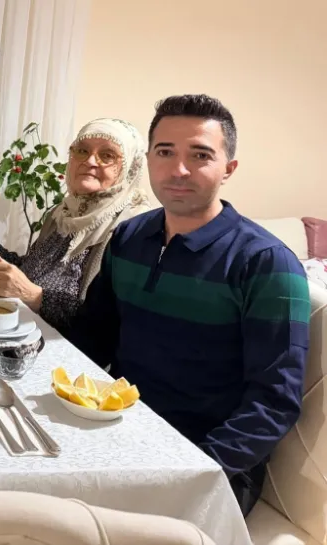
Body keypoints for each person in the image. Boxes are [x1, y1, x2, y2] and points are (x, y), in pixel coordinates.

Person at [70, 94, 310, 517]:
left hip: (207, 464)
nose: (179, 170)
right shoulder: (129, 237)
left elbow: (273, 402)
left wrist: (190, 471)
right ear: (149, 160)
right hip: (119, 431)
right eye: (165, 152)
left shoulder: (266, 263)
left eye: (200, 155)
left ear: (228, 168)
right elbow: (93, 337)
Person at [0, 118, 152, 334]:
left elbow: (107, 324)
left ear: (129, 168)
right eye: (82, 151)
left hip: (65, 349)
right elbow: (29, 270)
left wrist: (35, 296)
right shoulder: (64, 214)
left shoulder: (132, 231)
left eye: (107, 155)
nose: (90, 161)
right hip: (22, 327)